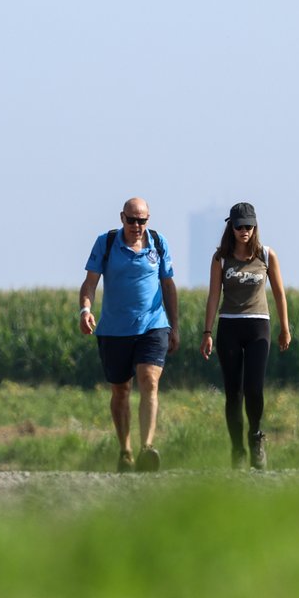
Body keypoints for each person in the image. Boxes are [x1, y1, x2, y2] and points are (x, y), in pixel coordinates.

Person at [79, 197, 179, 473]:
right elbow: (89, 284)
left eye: (142, 220)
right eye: (132, 220)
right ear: (122, 217)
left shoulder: (158, 243)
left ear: (148, 219)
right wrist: (85, 311)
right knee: (121, 390)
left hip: (153, 325)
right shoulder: (106, 243)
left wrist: (174, 325)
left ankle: (147, 448)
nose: (137, 226)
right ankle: (125, 450)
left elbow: (168, 285)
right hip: (114, 330)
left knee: (149, 380)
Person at [200, 202, 291, 470]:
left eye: (249, 226)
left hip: (258, 326)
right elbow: (214, 295)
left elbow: (279, 293)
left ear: (255, 227)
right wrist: (207, 332)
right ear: (232, 227)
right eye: (239, 226)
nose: (244, 231)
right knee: (233, 392)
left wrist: (285, 327)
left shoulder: (266, 255)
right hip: (229, 325)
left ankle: (256, 436)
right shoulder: (221, 258)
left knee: (254, 388)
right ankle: (237, 449)